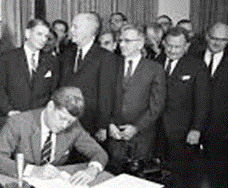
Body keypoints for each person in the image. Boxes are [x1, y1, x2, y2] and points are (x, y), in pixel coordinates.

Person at [0, 86, 108, 186]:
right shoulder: (19, 122)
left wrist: (92, 170)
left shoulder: (74, 127)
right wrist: (33, 170)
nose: (64, 125)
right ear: (50, 106)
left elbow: (99, 153)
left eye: (70, 121)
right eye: (62, 118)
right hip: (20, 187)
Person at [107, 26, 166, 169]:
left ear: (140, 43)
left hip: (142, 137)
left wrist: (136, 127)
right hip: (115, 135)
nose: (121, 44)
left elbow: (156, 106)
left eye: (127, 41)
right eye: (120, 40)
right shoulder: (111, 65)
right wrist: (109, 124)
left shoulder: (154, 68)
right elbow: (104, 98)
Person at [155, 27, 210, 165]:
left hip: (182, 131)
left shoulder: (197, 66)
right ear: (163, 43)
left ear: (187, 46)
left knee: (180, 172)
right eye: (169, 45)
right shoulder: (156, 62)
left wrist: (196, 129)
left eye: (177, 47)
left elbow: (202, 101)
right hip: (155, 129)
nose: (172, 50)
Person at [59, 12, 117, 141]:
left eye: (75, 27)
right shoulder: (67, 54)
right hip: (65, 122)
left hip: (90, 124)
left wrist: (102, 126)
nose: (71, 31)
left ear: (89, 30)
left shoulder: (105, 57)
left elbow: (106, 93)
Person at [0, 18, 59, 117]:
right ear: (27, 34)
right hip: (12, 117)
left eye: (46, 36)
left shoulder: (52, 61)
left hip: (38, 119)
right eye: (39, 34)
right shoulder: (7, 58)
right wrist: (9, 111)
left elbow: (54, 91)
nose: (43, 39)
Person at [196, 22, 228, 161]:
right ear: (207, 37)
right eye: (214, 38)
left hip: (220, 131)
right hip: (191, 128)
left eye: (223, 40)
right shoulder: (192, 57)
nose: (218, 43)